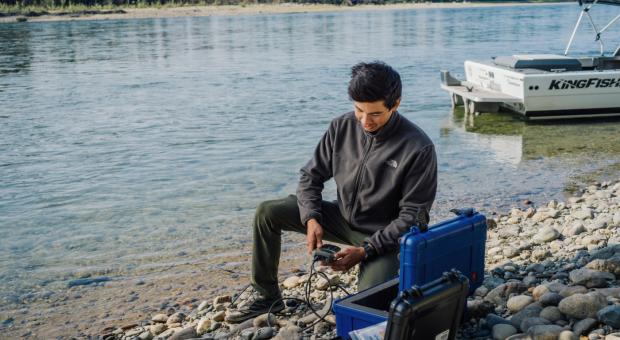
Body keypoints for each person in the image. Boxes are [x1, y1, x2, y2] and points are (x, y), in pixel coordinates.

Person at [226, 61, 437, 323]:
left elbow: (412, 218)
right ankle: (267, 295)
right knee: (268, 212)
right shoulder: (342, 127)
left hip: (385, 237)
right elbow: (310, 176)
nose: (365, 121)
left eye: (375, 114)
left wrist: (364, 252)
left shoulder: (418, 148)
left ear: (396, 104)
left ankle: (375, 277)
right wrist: (311, 218)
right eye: (359, 110)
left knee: (365, 310)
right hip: (343, 218)